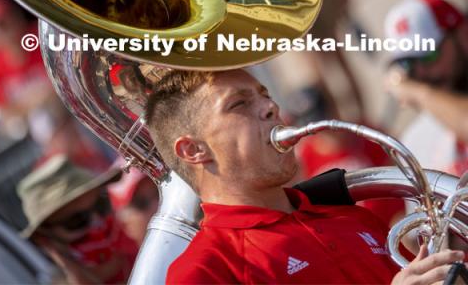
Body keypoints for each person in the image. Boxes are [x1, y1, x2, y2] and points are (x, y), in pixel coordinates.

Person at [144, 68, 463, 284]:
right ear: (192, 150)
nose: (270, 106)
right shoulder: (203, 271)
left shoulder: (353, 218)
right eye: (239, 103)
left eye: (264, 94)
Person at [17, 155, 139, 285]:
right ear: (44, 239)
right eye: (77, 220)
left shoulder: (147, 255)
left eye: (101, 205)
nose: (97, 222)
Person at [384, 0, 468, 175]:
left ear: (463, 33)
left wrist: (419, 94)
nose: (421, 73)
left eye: (429, 55)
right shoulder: (414, 143)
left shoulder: (421, 93)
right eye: (409, 63)